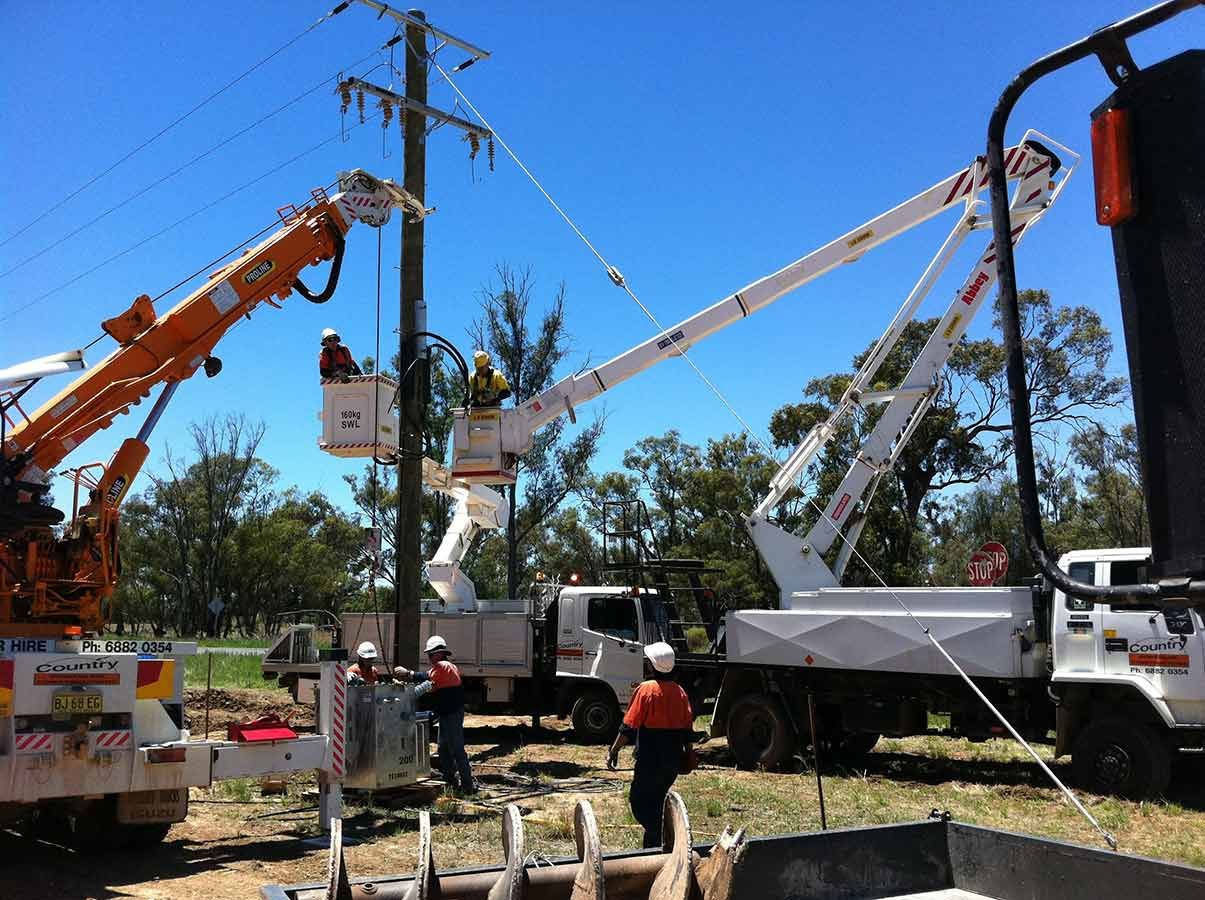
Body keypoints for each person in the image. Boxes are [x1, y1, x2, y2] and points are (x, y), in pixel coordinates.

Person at [607, 642, 694, 848]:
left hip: (650, 759)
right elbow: (687, 730)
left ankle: (663, 840)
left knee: (639, 803)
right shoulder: (680, 692)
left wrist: (613, 751)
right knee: (657, 803)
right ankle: (654, 846)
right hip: (671, 760)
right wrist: (688, 755)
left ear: (652, 666)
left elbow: (629, 727)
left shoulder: (646, 690)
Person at [395, 635, 477, 794]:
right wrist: (407, 687)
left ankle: (467, 786)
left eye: (431, 654)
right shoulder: (442, 668)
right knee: (443, 749)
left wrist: (408, 675)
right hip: (446, 714)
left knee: (457, 749)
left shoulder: (444, 666)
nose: (429, 658)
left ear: (439, 653)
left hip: (452, 714)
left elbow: (426, 681)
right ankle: (450, 782)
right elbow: (428, 682)